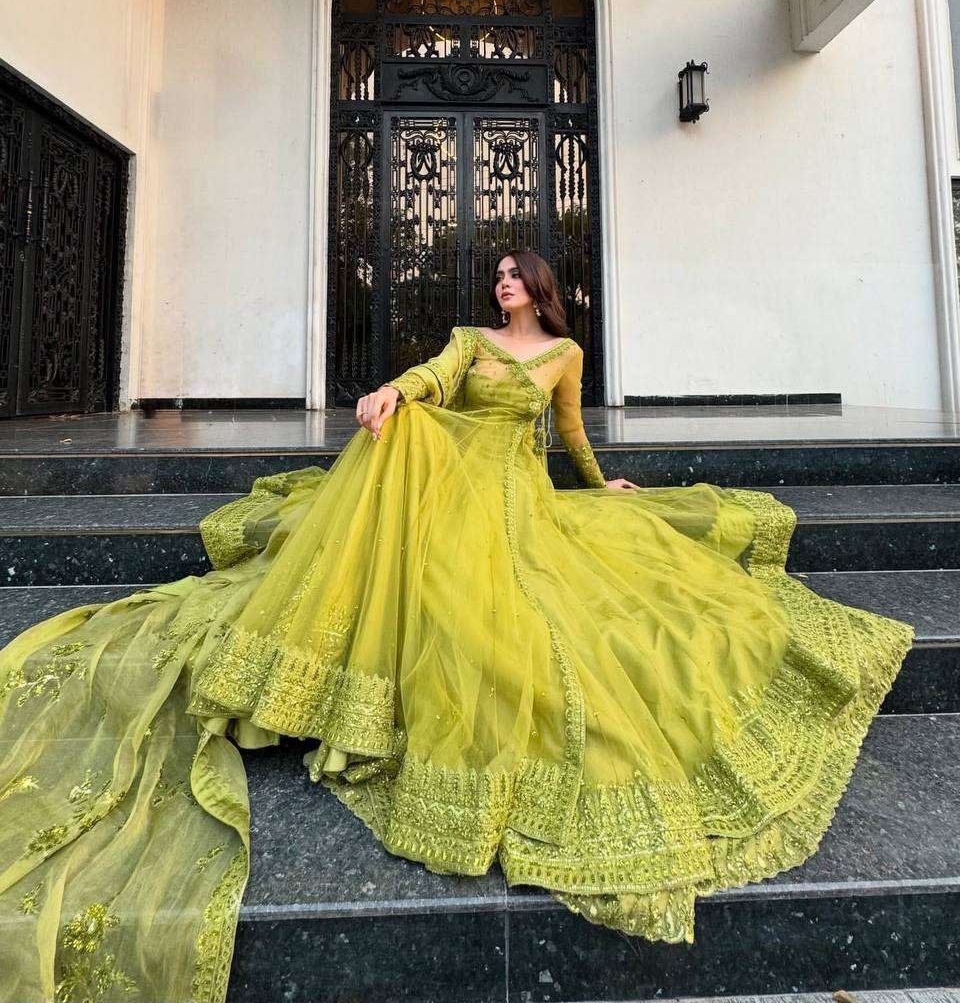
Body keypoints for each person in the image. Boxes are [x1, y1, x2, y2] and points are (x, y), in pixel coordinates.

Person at [0, 248, 915, 1002]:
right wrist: (393, 392)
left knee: (592, 613)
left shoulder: (565, 354)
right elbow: (432, 378)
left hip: (518, 500)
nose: (503, 285)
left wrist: (601, 485)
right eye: (500, 277)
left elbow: (569, 432)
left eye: (517, 277)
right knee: (409, 467)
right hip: (451, 488)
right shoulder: (468, 341)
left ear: (542, 290)